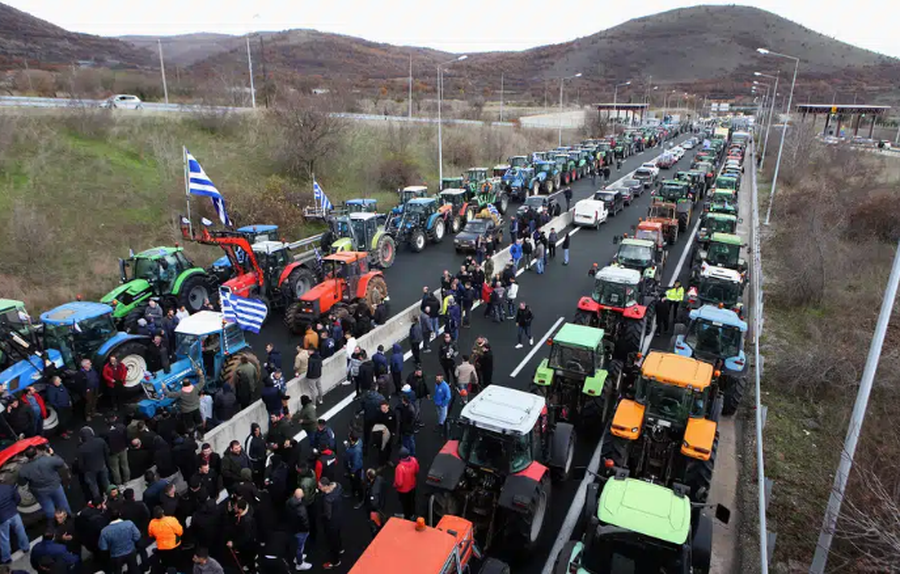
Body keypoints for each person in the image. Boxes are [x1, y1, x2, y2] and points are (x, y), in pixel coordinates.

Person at [18, 446, 71, 521]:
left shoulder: (23, 470)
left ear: (26, 456)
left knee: (49, 510)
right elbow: (60, 462)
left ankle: (54, 524)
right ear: (36, 451)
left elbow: (22, 483)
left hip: (40, 492)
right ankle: (70, 519)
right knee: (63, 505)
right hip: (55, 487)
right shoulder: (48, 460)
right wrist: (52, 454)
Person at [98, 508, 141, 574]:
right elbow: (137, 536)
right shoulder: (129, 524)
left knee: (117, 571)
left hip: (116, 555)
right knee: (134, 569)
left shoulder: (104, 531)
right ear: (119, 515)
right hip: (130, 552)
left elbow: (103, 547)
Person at [167, 368, 205, 434]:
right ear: (190, 383)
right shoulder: (196, 388)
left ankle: (192, 437)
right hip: (196, 409)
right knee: (199, 423)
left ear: (183, 385)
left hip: (186, 412)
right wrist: (200, 374)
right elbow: (202, 382)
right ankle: (201, 435)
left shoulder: (180, 392)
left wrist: (164, 388)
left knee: (190, 426)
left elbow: (169, 394)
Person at [76, 426, 110, 500]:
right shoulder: (100, 441)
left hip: (90, 470)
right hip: (101, 465)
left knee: (94, 486)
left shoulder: (81, 449)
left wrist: (84, 470)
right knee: (106, 482)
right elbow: (106, 453)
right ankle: (111, 496)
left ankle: (98, 501)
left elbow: (80, 464)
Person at [148, 506, 182, 573]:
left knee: (165, 561)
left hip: (162, 547)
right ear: (163, 511)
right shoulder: (171, 520)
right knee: (175, 560)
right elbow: (180, 532)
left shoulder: (152, 523)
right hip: (174, 545)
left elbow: (151, 534)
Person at [318, 478, 343, 570]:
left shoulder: (327, 500)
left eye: (320, 486)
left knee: (332, 542)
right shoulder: (338, 486)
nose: (319, 488)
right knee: (338, 536)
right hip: (339, 516)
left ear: (325, 486)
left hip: (332, 523)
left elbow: (327, 515)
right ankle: (340, 549)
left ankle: (335, 561)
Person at [0, 482, 28, 564]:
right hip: (14, 513)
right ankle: (25, 547)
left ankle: (7, 558)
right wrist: (13, 507)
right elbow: (18, 498)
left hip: (2, 518)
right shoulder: (7, 487)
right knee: (21, 531)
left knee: (4, 538)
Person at [285, 489, 312, 571]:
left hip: (293, 528)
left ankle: (298, 557)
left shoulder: (289, 502)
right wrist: (307, 530)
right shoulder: (301, 508)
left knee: (297, 546)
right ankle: (299, 563)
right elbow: (305, 522)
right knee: (300, 547)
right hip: (301, 530)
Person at [393, 447, 419, 520]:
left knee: (405, 504)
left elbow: (399, 483)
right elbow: (417, 471)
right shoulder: (414, 460)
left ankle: (406, 517)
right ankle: (412, 514)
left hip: (403, 490)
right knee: (412, 501)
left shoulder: (400, 468)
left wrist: (395, 485)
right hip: (412, 485)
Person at [344, 432, 364, 509]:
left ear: (351, 438)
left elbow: (356, 463)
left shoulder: (356, 451)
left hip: (355, 470)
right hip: (353, 467)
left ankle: (361, 500)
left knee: (358, 484)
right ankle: (353, 492)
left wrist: (352, 472)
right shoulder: (358, 443)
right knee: (353, 482)